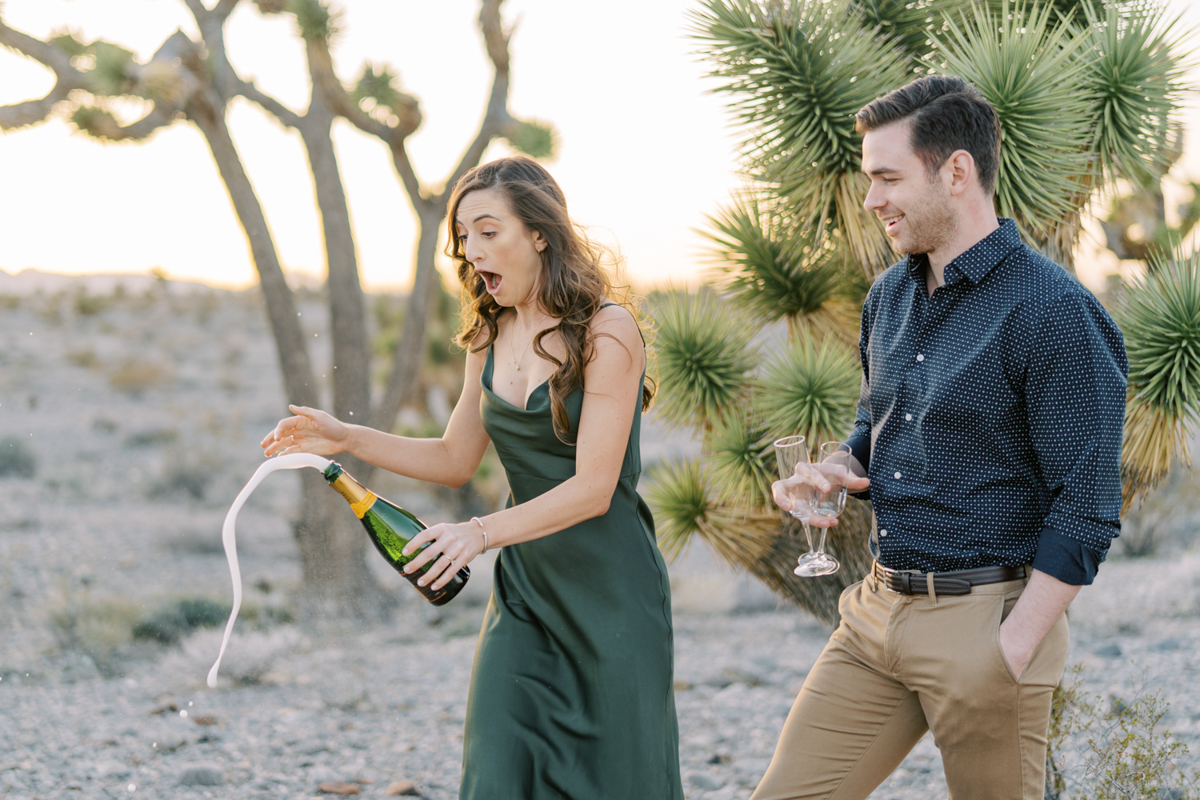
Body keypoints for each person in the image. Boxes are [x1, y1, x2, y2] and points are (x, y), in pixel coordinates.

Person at [261, 156, 683, 800]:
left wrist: (480, 532)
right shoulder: (489, 332)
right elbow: (456, 457)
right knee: (495, 771)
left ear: (540, 233)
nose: (471, 249)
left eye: (489, 231)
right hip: (525, 596)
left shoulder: (608, 332)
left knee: (616, 783)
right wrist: (347, 438)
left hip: (612, 596)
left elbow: (595, 488)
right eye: (463, 236)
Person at [755, 76, 1127, 800]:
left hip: (984, 627)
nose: (871, 200)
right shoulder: (888, 297)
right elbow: (877, 423)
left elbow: (1087, 504)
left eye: (888, 177)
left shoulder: (1055, 312)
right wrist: (836, 467)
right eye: (870, 179)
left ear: (956, 172)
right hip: (873, 615)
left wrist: (1010, 649)